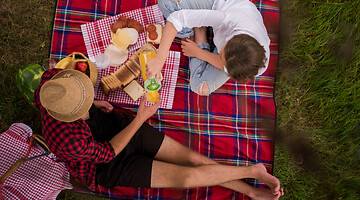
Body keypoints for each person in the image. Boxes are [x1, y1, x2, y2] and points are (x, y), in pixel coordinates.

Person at [34, 68, 283, 199]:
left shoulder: (54, 83)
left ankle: (251, 191)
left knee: (193, 159)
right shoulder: (65, 141)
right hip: (107, 166)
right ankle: (253, 172)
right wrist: (141, 118)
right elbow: (107, 152)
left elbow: (76, 98)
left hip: (114, 127)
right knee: (186, 178)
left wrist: (94, 102)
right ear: (69, 116)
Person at [146, 0, 270, 95]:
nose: (221, 59)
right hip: (224, 6)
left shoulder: (255, 66)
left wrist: (198, 52)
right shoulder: (227, 19)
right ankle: (196, 29)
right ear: (230, 38)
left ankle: (199, 32)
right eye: (221, 54)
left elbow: (224, 63)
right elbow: (175, 19)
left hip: (229, 47)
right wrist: (159, 59)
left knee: (200, 87)